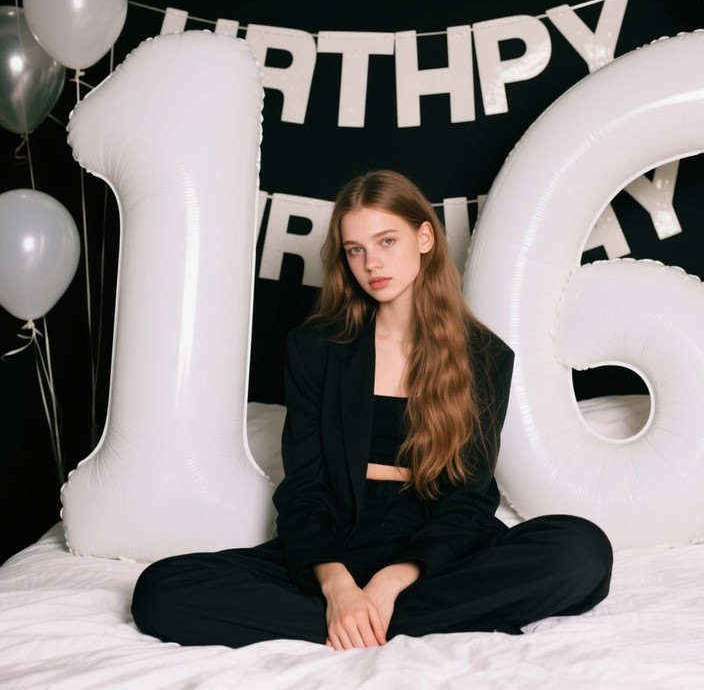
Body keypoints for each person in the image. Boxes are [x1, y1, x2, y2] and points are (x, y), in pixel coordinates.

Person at [131, 169, 612, 649]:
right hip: (338, 537)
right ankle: (373, 617)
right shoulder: (315, 347)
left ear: (424, 238)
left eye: (386, 241)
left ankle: (366, 618)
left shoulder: (484, 356)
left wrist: (391, 580)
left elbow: (468, 499)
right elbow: (305, 488)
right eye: (355, 250)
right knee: (161, 590)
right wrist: (338, 586)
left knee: (582, 552)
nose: (371, 263)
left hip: (437, 546)